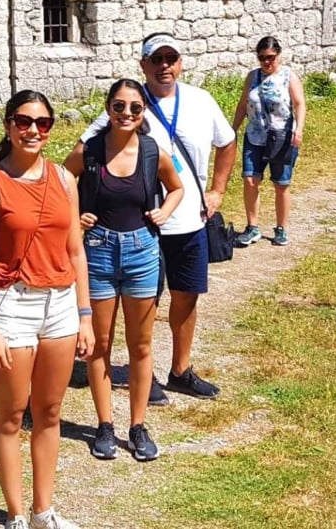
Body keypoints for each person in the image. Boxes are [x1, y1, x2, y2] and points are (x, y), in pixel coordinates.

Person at [72, 32, 237, 405]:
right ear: (143, 65)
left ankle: (180, 370)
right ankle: (140, 373)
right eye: (156, 59)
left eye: (171, 58)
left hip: (189, 220)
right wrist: (79, 208)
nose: (165, 66)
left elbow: (226, 142)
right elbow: (83, 153)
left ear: (179, 63)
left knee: (187, 296)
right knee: (145, 302)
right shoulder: (128, 104)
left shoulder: (200, 100)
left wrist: (217, 191)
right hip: (142, 227)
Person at [0, 90, 94, 529]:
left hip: (60, 303)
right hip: (13, 305)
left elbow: (76, 253)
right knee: (10, 415)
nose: (33, 130)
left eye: (43, 123)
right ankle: (16, 516)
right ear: (8, 125)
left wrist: (85, 316)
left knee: (50, 412)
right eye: (24, 121)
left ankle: (44, 511)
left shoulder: (64, 180)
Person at [64, 79, 183, 462]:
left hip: (141, 253)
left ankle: (137, 425)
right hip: (97, 251)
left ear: (143, 111)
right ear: (107, 108)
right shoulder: (90, 150)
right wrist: (72, 217)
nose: (126, 114)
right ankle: (104, 425)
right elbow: (60, 183)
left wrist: (166, 210)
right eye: (119, 106)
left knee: (141, 344)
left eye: (134, 107)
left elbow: (176, 187)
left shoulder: (152, 152)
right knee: (98, 344)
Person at [231, 35, 307, 248]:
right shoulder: (252, 77)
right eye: (262, 57)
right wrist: (232, 130)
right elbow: (243, 104)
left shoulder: (288, 76)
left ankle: (281, 228)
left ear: (278, 56)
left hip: (282, 137)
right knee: (249, 179)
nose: (267, 62)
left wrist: (298, 130)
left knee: (281, 184)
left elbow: (300, 104)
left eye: (271, 57)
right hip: (255, 136)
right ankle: (252, 226)